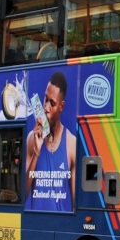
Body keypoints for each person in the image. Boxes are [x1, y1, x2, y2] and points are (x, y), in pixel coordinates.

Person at [25, 71, 76, 212]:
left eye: (52, 103)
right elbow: (23, 194)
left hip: (60, 225)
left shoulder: (71, 144)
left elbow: (75, 206)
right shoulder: (31, 138)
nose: (46, 108)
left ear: (61, 106)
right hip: (36, 225)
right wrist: (37, 150)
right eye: (45, 100)